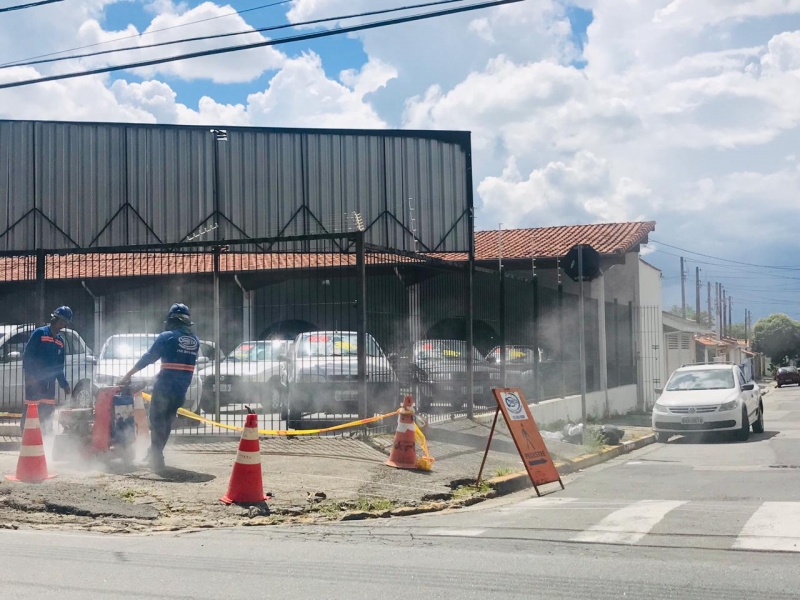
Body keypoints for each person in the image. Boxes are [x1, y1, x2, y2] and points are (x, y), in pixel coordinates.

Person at [118, 303, 199, 471]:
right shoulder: (195, 341)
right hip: (181, 391)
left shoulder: (167, 337)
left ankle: (156, 458)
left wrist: (127, 375)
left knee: (156, 421)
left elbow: (148, 358)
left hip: (165, 387)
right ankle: (155, 452)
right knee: (167, 421)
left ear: (172, 320)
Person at [22, 306, 73, 434]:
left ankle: (45, 442)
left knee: (47, 414)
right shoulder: (40, 333)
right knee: (32, 412)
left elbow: (58, 367)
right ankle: (27, 440)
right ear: (54, 319)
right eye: (61, 321)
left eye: (65, 323)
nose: (62, 325)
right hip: (35, 382)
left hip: (49, 385)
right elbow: (28, 355)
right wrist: (29, 375)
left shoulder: (60, 342)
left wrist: (64, 384)